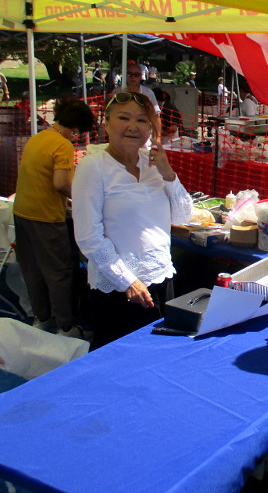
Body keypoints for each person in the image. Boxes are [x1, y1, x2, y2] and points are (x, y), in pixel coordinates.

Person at [72, 92, 193, 349]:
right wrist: (127, 281)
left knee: (156, 354)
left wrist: (168, 173)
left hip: (161, 277)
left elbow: (183, 217)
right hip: (119, 288)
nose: (132, 126)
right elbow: (88, 237)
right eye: (124, 118)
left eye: (141, 120)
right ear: (106, 124)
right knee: (117, 358)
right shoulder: (93, 167)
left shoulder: (153, 163)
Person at [13, 97, 94, 338]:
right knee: (58, 273)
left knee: (33, 270)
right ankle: (66, 327)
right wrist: (81, 198)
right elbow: (60, 183)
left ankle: (42, 318)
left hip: (22, 212)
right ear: (76, 128)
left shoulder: (38, 138)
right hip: (46, 218)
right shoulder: (62, 145)